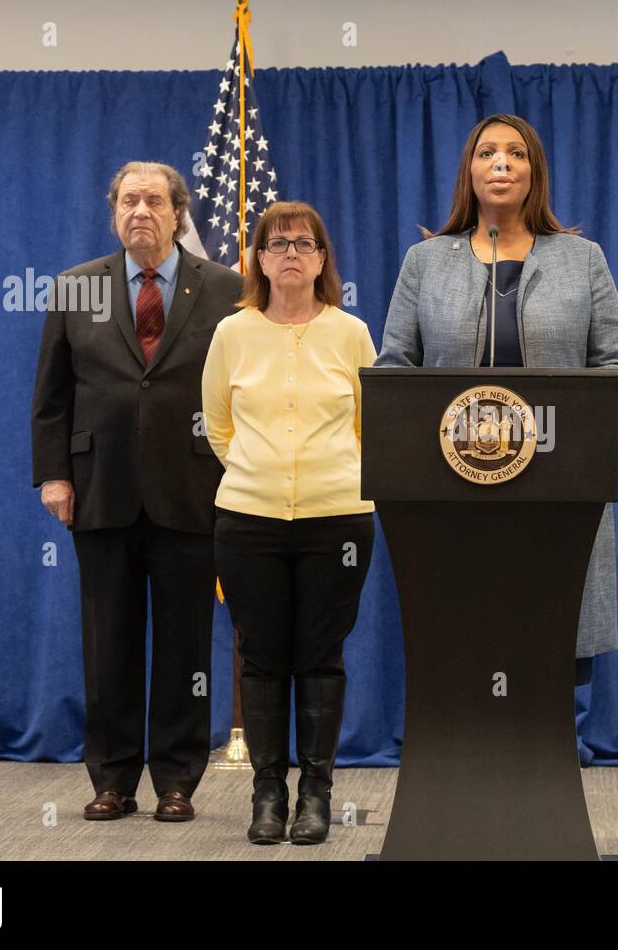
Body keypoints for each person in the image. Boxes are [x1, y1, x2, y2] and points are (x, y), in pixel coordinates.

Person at [375, 113, 618, 762]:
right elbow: (394, 371)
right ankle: (465, 768)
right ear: (469, 170)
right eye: (487, 152)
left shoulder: (582, 260)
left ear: (533, 173)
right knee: (466, 640)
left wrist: (566, 427)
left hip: (558, 489)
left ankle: (551, 762)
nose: (501, 163)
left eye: (515, 154)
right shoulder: (426, 261)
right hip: (452, 488)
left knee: (554, 639)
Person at [31, 160, 243, 822]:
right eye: (128, 201)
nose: (140, 212)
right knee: (108, 642)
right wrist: (55, 474)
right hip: (99, 489)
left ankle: (178, 780)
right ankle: (112, 779)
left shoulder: (226, 287)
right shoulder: (75, 288)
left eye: (153, 200)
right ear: (113, 210)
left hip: (194, 489)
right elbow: (52, 396)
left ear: (179, 212)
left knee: (185, 643)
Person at [202, 201, 377, 844]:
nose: (291, 255)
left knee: (321, 656)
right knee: (264, 655)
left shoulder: (352, 332)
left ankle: (316, 794)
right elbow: (219, 425)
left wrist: (329, 473)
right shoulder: (232, 333)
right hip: (248, 517)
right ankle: (268, 793)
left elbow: (369, 426)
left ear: (323, 259)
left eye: (304, 244)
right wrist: (261, 472)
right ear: (258, 260)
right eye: (276, 245)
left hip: (339, 519)